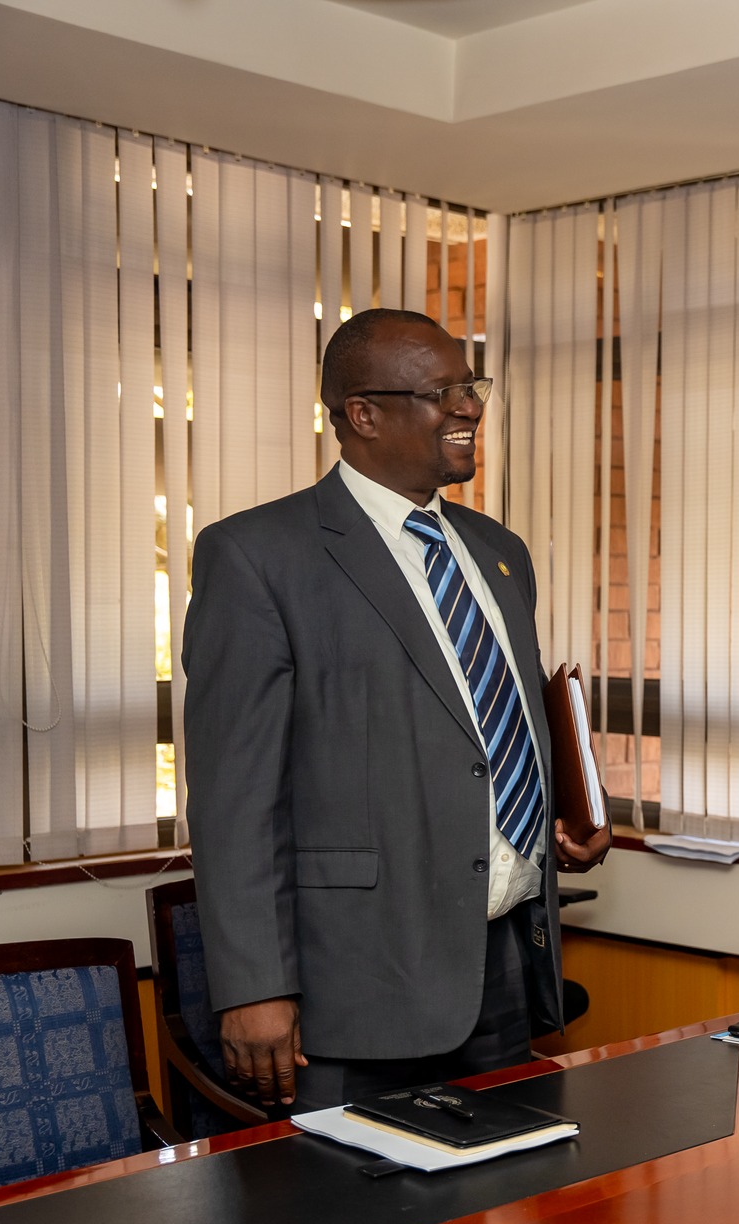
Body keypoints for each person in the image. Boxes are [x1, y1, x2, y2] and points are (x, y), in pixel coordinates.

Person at [183, 308, 613, 1111]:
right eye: (442, 392)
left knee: (513, 1185)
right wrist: (254, 986)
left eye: (471, 387)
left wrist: (567, 814)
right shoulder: (256, 556)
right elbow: (234, 796)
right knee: (353, 1191)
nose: (470, 408)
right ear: (363, 414)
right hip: (357, 985)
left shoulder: (499, 552)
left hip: (505, 965)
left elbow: (491, 726)